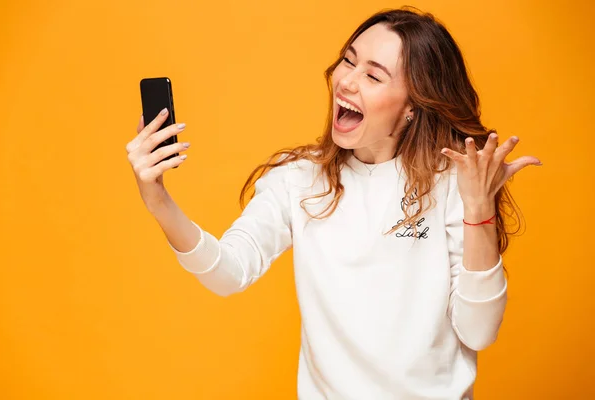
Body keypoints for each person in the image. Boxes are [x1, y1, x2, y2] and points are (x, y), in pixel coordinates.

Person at [126, 7, 541, 400]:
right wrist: (157, 198)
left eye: (374, 76)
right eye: (349, 60)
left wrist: (478, 208)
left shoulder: (455, 184)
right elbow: (228, 272)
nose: (347, 81)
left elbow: (478, 331)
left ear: (413, 105)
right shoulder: (299, 179)